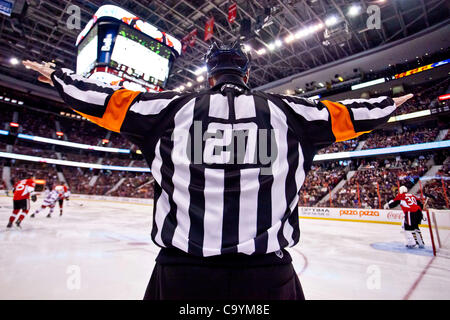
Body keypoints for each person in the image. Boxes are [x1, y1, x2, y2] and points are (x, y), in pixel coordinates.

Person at [23, 41, 413, 300]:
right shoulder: (289, 112)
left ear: (210, 76)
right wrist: (391, 104)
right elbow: (353, 115)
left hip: (182, 276)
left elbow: (101, 100)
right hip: (267, 277)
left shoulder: (169, 109)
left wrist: (58, 75)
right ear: (246, 75)